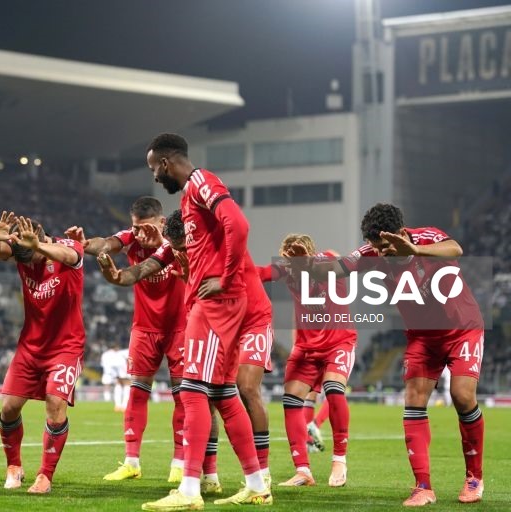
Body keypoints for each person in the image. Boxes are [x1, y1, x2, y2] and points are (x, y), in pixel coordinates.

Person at [293, 203, 485, 505]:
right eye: (375, 246)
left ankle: (474, 478)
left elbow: (455, 248)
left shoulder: (426, 239)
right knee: (413, 399)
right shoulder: (371, 253)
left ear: (402, 233)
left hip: (463, 329)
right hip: (423, 336)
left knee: (462, 395)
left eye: (386, 246)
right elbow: (340, 267)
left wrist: (415, 250)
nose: (381, 253)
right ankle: (423, 486)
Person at [140, 133, 271, 510]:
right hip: (218, 303)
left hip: (216, 305)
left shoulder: (201, 182)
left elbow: (239, 225)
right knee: (222, 393)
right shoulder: (191, 194)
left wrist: (227, 277)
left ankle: (190, 489)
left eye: (153, 169)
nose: (154, 177)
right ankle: (257, 484)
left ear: (166, 163)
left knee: (193, 390)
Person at [66, 196, 187, 482]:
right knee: (137, 391)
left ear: (161, 222)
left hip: (181, 327)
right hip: (144, 328)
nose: (140, 233)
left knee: (183, 396)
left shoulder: (177, 244)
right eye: (136, 227)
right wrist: (83, 244)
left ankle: (180, 463)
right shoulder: (131, 238)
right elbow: (105, 244)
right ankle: (132, 461)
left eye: (146, 227)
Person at [0, 212, 86, 495]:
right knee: (8, 409)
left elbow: (69, 255)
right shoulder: (22, 253)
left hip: (66, 346)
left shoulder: (69, 247)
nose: (26, 265)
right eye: (22, 260)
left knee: (55, 405)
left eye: (31, 257)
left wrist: (37, 247)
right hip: (29, 346)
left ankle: (45, 475)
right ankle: (14, 466)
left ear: (40, 243)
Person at [260, 234, 355, 487]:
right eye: (287, 253)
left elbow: (329, 267)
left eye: (296, 252)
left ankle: (339, 461)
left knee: (334, 392)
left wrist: (308, 262)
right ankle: (303, 470)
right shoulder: (288, 269)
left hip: (338, 342)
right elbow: (261, 273)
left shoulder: (329, 260)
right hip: (306, 348)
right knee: (291, 402)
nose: (291, 257)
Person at [100, 344, 130, 412]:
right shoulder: (125, 351)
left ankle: (117, 405)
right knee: (127, 384)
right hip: (122, 366)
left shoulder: (106, 353)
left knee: (118, 384)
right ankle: (124, 406)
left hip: (112, 369)